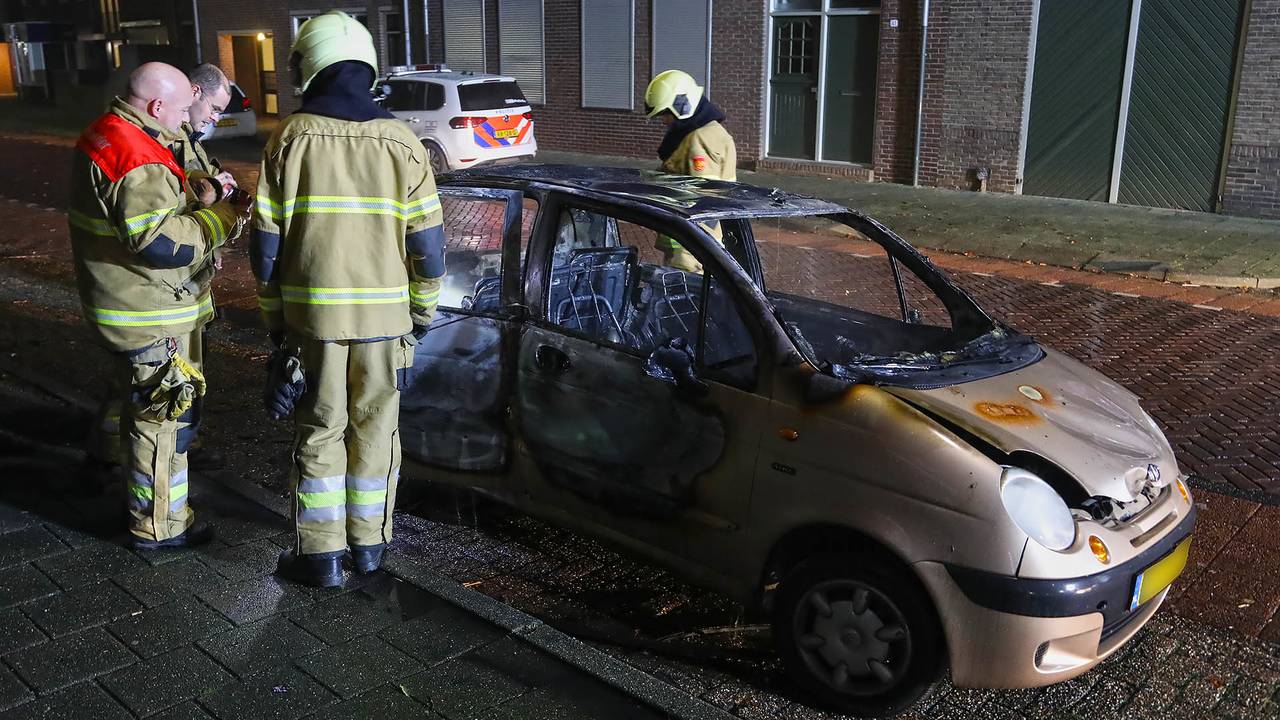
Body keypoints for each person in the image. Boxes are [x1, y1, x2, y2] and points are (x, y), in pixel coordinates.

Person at [252, 10, 446, 587]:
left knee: (319, 431)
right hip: (386, 325)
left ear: (308, 67)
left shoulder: (288, 140)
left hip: (312, 322)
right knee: (377, 432)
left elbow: (266, 252)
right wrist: (421, 317)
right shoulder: (404, 143)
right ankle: (369, 549)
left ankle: (320, 556)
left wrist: (275, 324)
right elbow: (429, 251)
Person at [68, 62, 243, 548]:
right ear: (157, 106)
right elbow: (161, 243)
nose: (191, 116)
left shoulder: (112, 131)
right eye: (184, 108)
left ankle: (106, 465)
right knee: (164, 418)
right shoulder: (136, 156)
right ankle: (161, 527)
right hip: (148, 308)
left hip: (123, 300)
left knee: (132, 397)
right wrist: (219, 219)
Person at [643, 69, 737, 273]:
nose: (664, 121)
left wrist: (689, 252)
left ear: (682, 104)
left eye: (666, 113)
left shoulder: (700, 140)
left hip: (691, 243)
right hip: (687, 237)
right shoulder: (704, 133)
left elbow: (703, 199)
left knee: (683, 294)